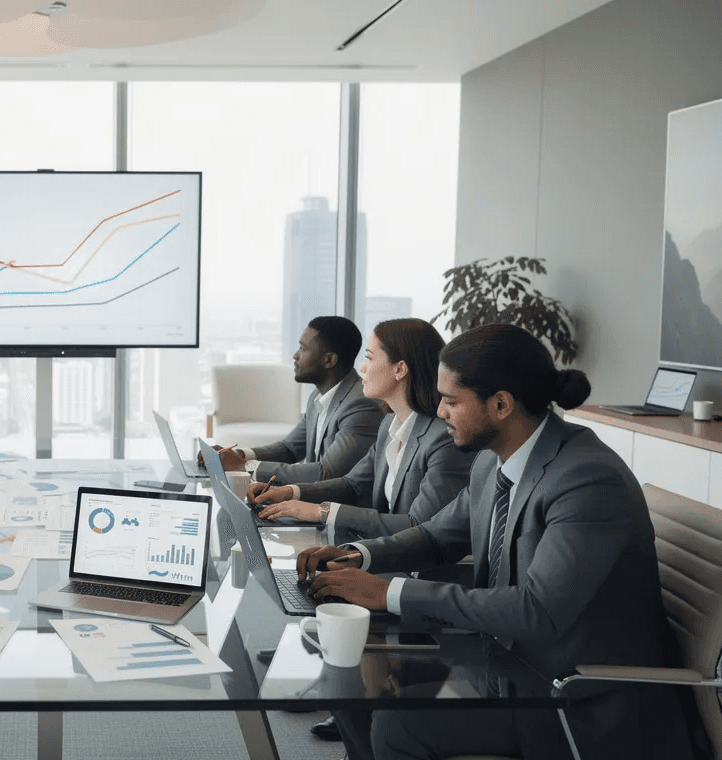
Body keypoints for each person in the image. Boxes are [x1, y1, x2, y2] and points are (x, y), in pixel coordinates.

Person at [295, 323, 696, 760]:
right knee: (353, 683)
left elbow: (536, 610)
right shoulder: (493, 463)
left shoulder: (587, 480)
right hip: (507, 666)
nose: (440, 413)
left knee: (398, 724)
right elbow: (436, 536)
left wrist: (388, 592)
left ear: (501, 404)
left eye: (450, 401)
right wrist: (359, 556)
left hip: (580, 699)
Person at [249, 318, 476, 540]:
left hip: (414, 569)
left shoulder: (443, 439)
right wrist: (289, 493)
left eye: (369, 358)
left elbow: (418, 525)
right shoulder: (389, 424)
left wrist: (322, 512)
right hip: (381, 552)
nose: (362, 368)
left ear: (400, 369)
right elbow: (353, 485)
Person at [205, 315, 383, 484]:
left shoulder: (360, 405)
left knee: (230, 515)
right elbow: (290, 449)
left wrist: (245, 466)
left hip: (335, 509)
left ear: (329, 360)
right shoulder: (319, 396)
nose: (295, 355)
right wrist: (237, 455)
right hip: (311, 497)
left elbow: (327, 473)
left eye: (303, 348)